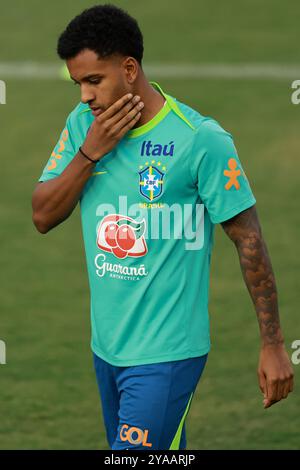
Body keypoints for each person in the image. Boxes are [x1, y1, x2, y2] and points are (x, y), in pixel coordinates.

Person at [32, 4, 294, 450]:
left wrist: (273, 344)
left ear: (129, 69)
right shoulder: (83, 127)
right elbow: (42, 215)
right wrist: (90, 153)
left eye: (94, 81)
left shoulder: (200, 140)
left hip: (168, 354)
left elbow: (249, 240)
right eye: (78, 83)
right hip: (107, 349)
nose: (84, 97)